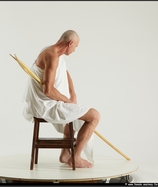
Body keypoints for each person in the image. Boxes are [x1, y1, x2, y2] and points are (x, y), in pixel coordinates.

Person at [23, 30, 101, 168]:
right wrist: (67, 101)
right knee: (94, 116)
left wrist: (73, 94)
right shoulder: (51, 56)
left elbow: (64, 71)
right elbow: (48, 90)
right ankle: (75, 157)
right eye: (75, 46)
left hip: (53, 101)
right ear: (70, 43)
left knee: (75, 111)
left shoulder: (54, 53)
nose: (75, 50)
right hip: (45, 104)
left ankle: (65, 154)